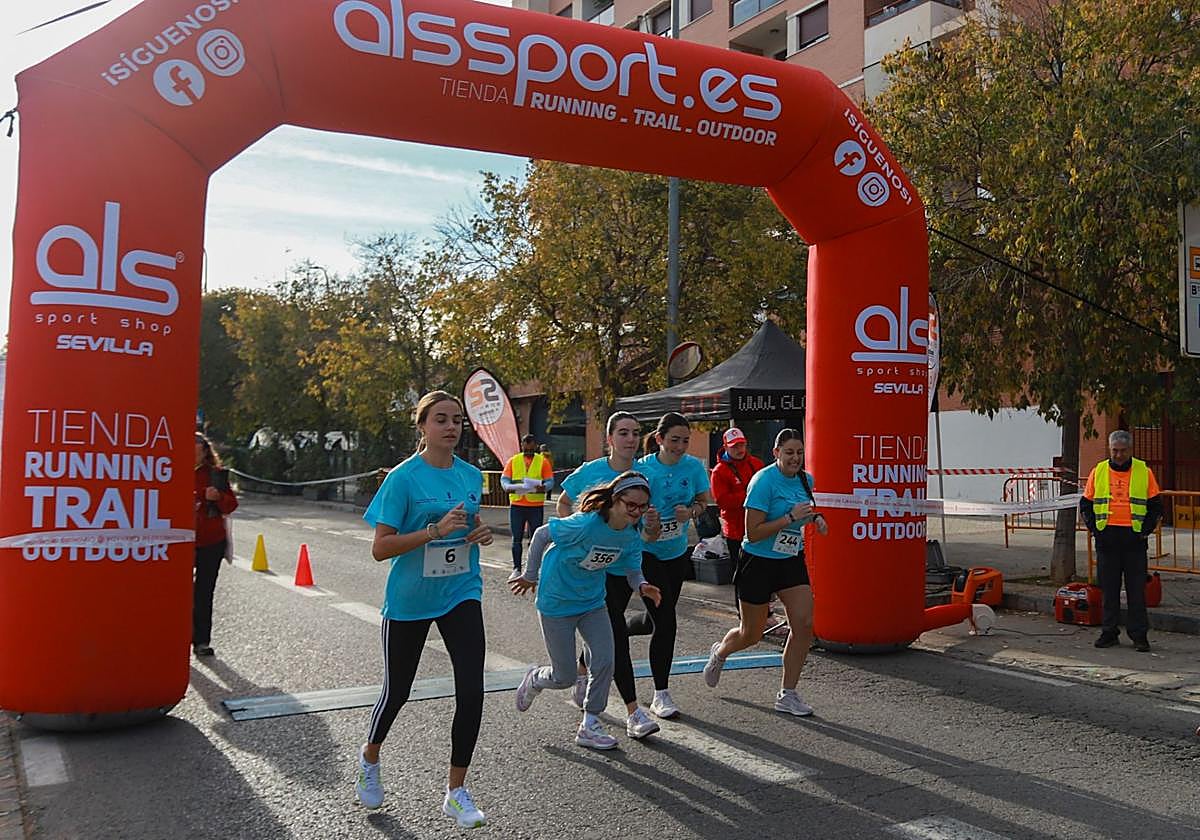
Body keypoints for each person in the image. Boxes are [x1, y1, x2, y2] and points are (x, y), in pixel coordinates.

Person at [355, 391, 494, 828]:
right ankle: (370, 758)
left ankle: (456, 791)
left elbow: (470, 523)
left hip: (460, 592)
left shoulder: (472, 475)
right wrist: (432, 531)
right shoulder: (403, 478)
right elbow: (380, 548)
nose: (452, 427)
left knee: (472, 689)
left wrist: (478, 533)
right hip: (411, 598)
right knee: (397, 692)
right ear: (422, 426)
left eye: (457, 420)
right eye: (441, 420)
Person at [509, 473, 663, 749]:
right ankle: (536, 678)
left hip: (592, 602)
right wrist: (530, 575)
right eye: (632, 506)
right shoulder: (586, 524)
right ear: (615, 500)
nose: (637, 513)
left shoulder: (629, 535)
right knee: (564, 676)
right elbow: (542, 534)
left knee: (605, 660)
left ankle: (590, 724)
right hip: (557, 602)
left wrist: (642, 585)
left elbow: (631, 567)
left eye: (643, 507)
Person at [702, 428, 829, 716]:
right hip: (757, 560)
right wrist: (789, 518)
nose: (795, 458)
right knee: (752, 633)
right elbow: (753, 532)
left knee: (804, 625)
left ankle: (788, 693)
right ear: (776, 453)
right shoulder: (762, 482)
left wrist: (817, 519)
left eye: (799, 452)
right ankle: (720, 652)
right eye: (789, 453)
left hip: (790, 559)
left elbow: (806, 509)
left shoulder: (805, 480)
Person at [557, 412, 663, 739]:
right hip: (594, 571)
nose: (630, 439)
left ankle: (581, 670)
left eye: (635, 433)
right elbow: (563, 504)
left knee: (606, 633)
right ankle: (634, 713)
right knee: (615, 638)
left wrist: (653, 529)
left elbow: (646, 534)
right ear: (610, 439)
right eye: (623, 433)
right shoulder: (592, 472)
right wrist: (583, 538)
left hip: (624, 570)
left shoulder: (647, 476)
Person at [634, 412, 713, 719]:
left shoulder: (692, 467)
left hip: (676, 553)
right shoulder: (642, 469)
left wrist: (691, 511)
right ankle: (660, 694)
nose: (680, 447)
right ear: (659, 439)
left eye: (684, 441)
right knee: (666, 621)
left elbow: (703, 501)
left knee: (650, 621)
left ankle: (593, 651)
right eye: (674, 440)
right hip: (645, 553)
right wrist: (645, 520)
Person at [1080, 429, 1163, 653]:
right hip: (1107, 539)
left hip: (1134, 540)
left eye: (1123, 451)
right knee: (1109, 590)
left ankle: (1139, 635)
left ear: (1130, 450)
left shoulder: (1143, 471)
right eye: (1115, 451)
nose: (1118, 455)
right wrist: (1096, 531)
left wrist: (1144, 531)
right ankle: (1109, 632)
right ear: (1109, 449)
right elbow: (1086, 503)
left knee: (1136, 591)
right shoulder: (1098, 471)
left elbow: (1156, 505)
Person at [192, 433, 238, 658]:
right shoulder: (168, 469)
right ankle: (177, 637)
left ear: (204, 449)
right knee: (179, 593)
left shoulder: (215, 474)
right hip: (180, 540)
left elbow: (231, 505)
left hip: (210, 540)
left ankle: (201, 641)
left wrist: (217, 497)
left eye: (196, 444)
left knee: (204, 592)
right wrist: (200, 494)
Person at [710, 427, 765, 573]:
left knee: (761, 571)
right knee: (741, 572)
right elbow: (722, 501)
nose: (739, 449)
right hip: (736, 531)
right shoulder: (719, 471)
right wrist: (750, 495)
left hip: (761, 527)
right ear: (726, 447)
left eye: (742, 444)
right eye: (734, 446)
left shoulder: (757, 464)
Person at [501, 434, 554, 574]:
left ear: (535, 446)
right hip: (517, 505)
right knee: (516, 538)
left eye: (531, 449)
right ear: (522, 445)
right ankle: (516, 568)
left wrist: (544, 486)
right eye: (526, 448)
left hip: (535, 506)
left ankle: (532, 570)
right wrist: (508, 487)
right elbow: (504, 480)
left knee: (535, 540)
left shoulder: (543, 461)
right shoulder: (513, 461)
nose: (528, 452)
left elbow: (550, 481)